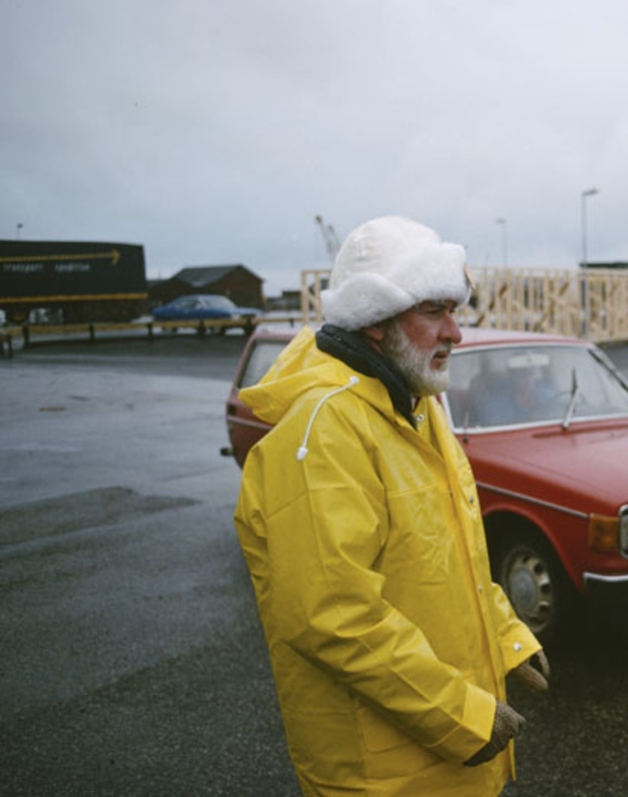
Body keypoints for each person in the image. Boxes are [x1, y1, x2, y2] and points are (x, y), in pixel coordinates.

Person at [234, 216, 549, 796]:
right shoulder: (323, 432)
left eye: (455, 310)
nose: (455, 332)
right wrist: (460, 713)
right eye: (433, 311)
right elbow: (333, 617)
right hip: (382, 774)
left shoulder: (415, 406)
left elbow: (454, 559)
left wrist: (506, 643)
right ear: (374, 320)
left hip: (446, 758)